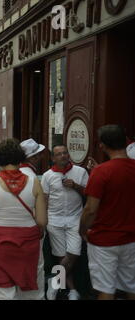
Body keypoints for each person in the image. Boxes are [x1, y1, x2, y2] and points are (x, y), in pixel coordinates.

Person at [0, 139, 47, 300]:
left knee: (3, 293)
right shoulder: (34, 181)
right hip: (28, 243)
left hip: (0, 243)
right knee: (29, 291)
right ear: (21, 158)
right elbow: (42, 221)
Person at [80, 125, 135, 300]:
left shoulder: (101, 172)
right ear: (126, 142)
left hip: (104, 239)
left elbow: (90, 209)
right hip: (131, 238)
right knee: (131, 285)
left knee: (105, 288)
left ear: (102, 146)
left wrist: (82, 230)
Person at [41, 144, 88, 300]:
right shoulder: (47, 176)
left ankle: (54, 282)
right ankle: (72, 290)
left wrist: (75, 186)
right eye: (59, 154)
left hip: (75, 218)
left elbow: (89, 193)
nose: (63, 156)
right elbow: (45, 200)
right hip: (54, 220)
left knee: (74, 253)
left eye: (65, 153)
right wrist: (44, 221)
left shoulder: (80, 172)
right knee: (61, 256)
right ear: (53, 158)